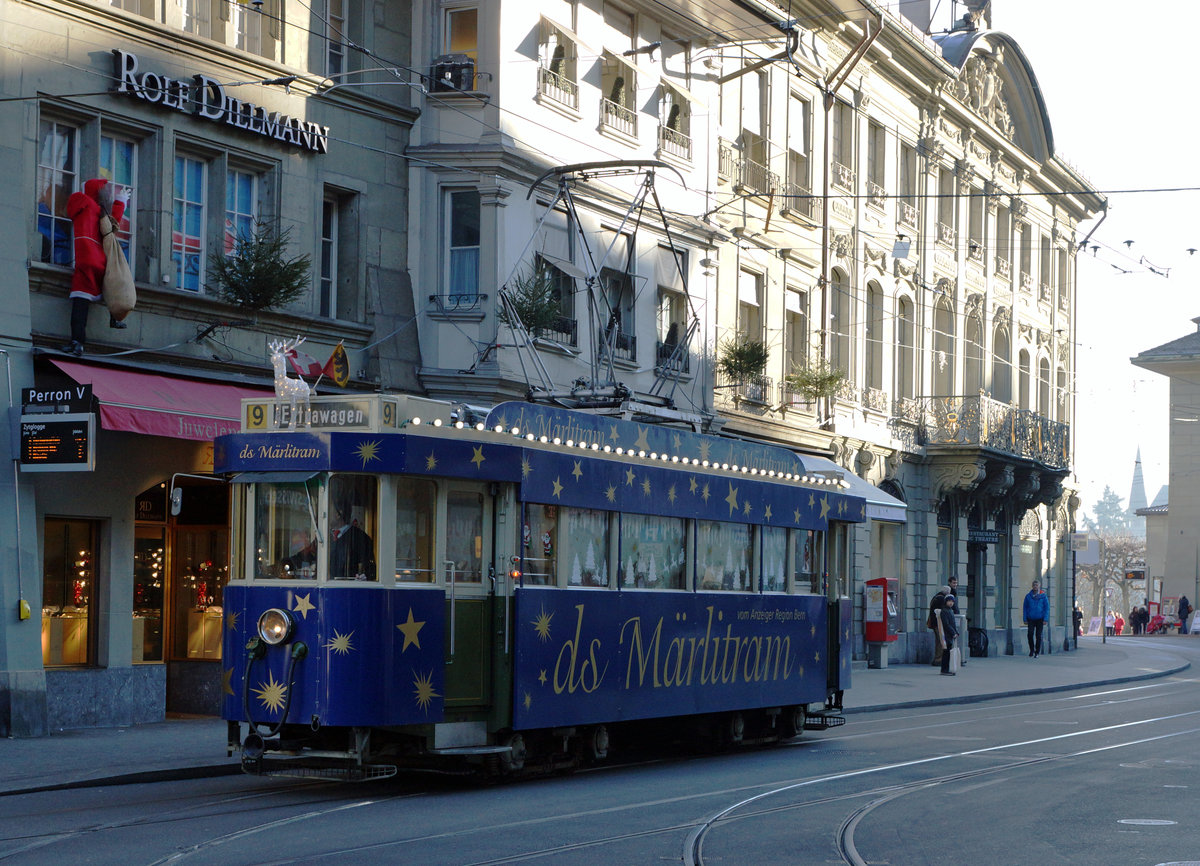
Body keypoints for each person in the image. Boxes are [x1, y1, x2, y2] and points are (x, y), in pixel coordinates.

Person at [61, 178, 131, 356]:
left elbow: (74, 206)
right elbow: (112, 223)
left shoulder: (84, 203)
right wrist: (121, 202)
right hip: (101, 259)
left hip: (86, 258)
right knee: (109, 288)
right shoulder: (100, 211)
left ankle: (77, 342)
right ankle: (114, 317)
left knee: (80, 305)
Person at [329, 503, 375, 580]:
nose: (325, 515)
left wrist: (363, 576)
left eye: (329, 510)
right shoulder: (325, 537)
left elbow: (370, 570)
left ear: (338, 514)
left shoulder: (361, 538)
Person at [1022, 579, 1049, 657]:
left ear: (1039, 586)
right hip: (1031, 618)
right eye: (1034, 585)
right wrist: (1025, 619)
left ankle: (1037, 652)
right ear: (1032, 586)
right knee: (1030, 634)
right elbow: (1025, 608)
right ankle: (1031, 650)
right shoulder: (1028, 596)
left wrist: (1045, 619)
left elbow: (1046, 608)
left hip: (1040, 619)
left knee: (1038, 635)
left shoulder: (1043, 596)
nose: (1035, 586)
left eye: (1036, 585)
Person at [928, 585, 950, 666]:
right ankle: (938, 659)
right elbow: (943, 611)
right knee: (941, 641)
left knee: (938, 641)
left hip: (934, 623)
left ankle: (937, 659)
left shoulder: (936, 597)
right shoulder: (941, 599)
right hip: (938, 623)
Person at [937, 594, 959, 676]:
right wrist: (953, 633)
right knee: (946, 653)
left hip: (950, 634)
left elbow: (953, 624)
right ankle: (944, 669)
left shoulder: (950, 610)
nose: (951, 603)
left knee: (948, 653)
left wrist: (956, 632)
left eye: (952, 601)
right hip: (946, 635)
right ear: (946, 601)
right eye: (949, 601)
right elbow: (946, 624)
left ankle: (946, 669)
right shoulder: (944, 611)